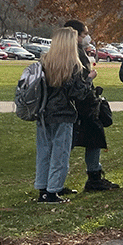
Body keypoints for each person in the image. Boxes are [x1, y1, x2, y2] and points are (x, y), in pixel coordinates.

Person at [34, 28, 95, 203]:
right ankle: (53, 191)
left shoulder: (44, 62)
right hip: (63, 114)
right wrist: (89, 79)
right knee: (60, 154)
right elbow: (77, 93)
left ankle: (43, 189)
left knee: (44, 152)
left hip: (43, 113)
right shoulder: (72, 65)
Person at [64, 19, 118, 192]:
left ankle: (93, 175)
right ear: (75, 35)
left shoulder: (74, 52)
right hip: (83, 105)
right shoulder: (75, 54)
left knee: (83, 140)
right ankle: (93, 177)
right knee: (84, 140)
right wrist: (90, 78)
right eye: (84, 34)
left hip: (80, 104)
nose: (87, 37)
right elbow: (79, 82)